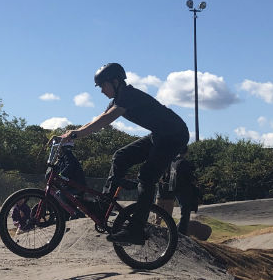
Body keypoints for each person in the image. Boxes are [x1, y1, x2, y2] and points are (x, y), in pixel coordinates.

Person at [58, 63, 191, 244]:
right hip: (159, 135)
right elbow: (95, 121)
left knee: (147, 176)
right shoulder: (117, 100)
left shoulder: (128, 95)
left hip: (175, 135)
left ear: (115, 81)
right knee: (121, 156)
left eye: (103, 86)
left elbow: (105, 121)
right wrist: (70, 134)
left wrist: (76, 134)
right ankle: (103, 206)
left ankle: (136, 229)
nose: (102, 91)